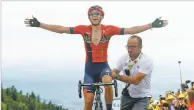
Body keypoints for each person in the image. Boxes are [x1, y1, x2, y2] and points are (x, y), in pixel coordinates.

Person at [24, 5, 168, 110]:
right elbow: (61, 29)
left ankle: (109, 108)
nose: (94, 15)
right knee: (88, 100)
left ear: (101, 16)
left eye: (97, 13)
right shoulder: (83, 29)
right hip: (89, 70)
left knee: (107, 81)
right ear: (89, 16)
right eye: (92, 13)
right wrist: (39, 24)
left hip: (103, 67)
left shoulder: (109, 30)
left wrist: (151, 25)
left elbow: (131, 30)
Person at [112, 35, 153, 110]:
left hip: (142, 96)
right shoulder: (124, 58)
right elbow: (114, 71)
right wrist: (106, 73)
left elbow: (136, 80)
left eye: (133, 47)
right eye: (128, 46)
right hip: (128, 94)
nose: (129, 50)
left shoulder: (147, 61)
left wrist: (117, 76)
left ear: (140, 47)